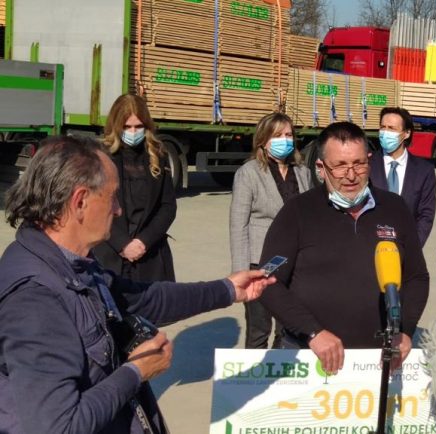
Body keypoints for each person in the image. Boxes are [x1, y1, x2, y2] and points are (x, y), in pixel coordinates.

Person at [0, 136, 275, 434]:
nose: (118, 209)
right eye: (112, 196)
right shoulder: (35, 300)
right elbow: (59, 426)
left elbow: (144, 298)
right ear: (80, 202)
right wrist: (135, 372)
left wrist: (228, 289)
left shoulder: (75, 264)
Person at [258, 121, 430, 374]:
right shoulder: (297, 212)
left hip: (380, 358)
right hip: (309, 356)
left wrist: (405, 329)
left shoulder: (395, 208)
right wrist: (312, 332)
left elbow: (416, 277)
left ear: (369, 161)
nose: (351, 175)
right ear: (321, 168)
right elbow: (268, 282)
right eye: (339, 166)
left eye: (358, 164)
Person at [229, 113, 312, 349]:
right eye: (277, 135)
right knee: (259, 329)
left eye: (288, 135)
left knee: (288, 328)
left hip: (293, 263)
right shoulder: (249, 173)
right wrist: (241, 271)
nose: (284, 140)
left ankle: (280, 368)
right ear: (263, 140)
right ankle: (255, 371)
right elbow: (238, 224)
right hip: (260, 263)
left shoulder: (302, 172)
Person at [93, 94, 177, 282]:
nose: (133, 132)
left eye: (138, 126)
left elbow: (168, 206)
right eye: (126, 127)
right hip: (109, 254)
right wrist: (122, 244)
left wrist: (143, 241)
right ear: (116, 125)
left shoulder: (158, 155)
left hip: (150, 255)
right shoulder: (100, 157)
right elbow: (94, 208)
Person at [368, 107, 436, 247]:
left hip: (406, 247)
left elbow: (426, 215)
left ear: (406, 133)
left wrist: (413, 247)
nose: (385, 132)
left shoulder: (424, 170)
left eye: (392, 128)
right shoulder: (367, 164)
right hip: (370, 247)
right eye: (383, 127)